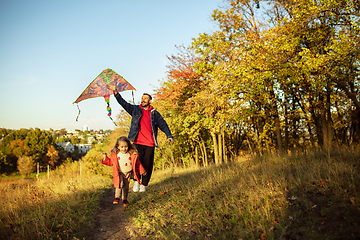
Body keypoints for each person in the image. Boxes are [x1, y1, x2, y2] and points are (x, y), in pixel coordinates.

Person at [107, 84, 173, 192]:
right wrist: (116, 93)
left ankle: (144, 184)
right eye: (142, 98)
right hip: (137, 141)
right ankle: (137, 181)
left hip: (150, 143)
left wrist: (169, 135)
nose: (143, 100)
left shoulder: (154, 113)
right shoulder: (135, 110)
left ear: (150, 101)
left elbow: (163, 124)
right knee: (136, 163)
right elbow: (124, 104)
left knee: (147, 165)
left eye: (146, 98)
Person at [102, 136, 146, 206]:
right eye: (121, 147)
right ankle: (117, 197)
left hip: (128, 173)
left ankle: (124, 199)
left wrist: (142, 171)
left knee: (126, 187)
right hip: (119, 173)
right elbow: (111, 163)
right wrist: (105, 158)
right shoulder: (116, 155)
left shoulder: (131, 154)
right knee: (120, 183)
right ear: (118, 147)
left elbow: (137, 164)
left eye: (125, 146)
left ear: (128, 146)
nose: (124, 149)